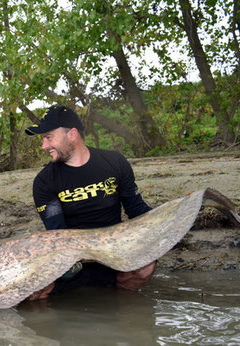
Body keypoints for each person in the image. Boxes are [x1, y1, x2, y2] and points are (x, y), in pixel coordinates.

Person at [25, 105, 155, 300]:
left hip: (112, 256)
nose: (44, 146)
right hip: (71, 261)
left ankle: (121, 304)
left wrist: (174, 218)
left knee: (145, 267)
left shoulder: (115, 162)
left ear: (72, 134)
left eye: (48, 137)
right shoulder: (44, 182)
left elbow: (138, 211)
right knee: (31, 291)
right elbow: (57, 233)